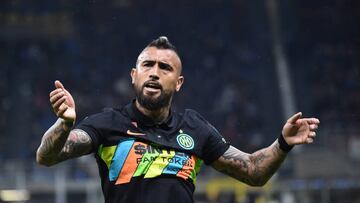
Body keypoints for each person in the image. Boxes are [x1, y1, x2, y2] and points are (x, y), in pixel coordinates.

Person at [36, 36, 320, 203]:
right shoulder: (108, 123)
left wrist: (283, 143)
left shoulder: (194, 128)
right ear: (134, 75)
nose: (155, 72)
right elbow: (47, 156)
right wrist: (64, 124)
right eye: (147, 65)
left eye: (165, 67)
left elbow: (253, 171)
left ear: (179, 82)